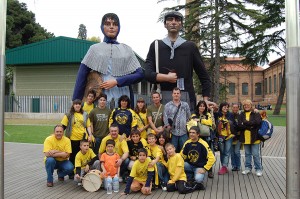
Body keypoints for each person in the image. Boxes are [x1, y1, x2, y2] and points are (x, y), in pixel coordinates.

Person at [145, 10, 216, 112]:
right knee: (162, 128)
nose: (173, 22)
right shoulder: (156, 46)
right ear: (165, 24)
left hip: (186, 97)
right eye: (170, 19)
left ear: (181, 25)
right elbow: (147, 74)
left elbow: (204, 76)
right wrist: (166, 78)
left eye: (177, 20)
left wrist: (205, 99)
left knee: (188, 127)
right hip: (161, 98)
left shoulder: (190, 47)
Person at [72, 13, 144, 108]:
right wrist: (75, 101)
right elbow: (81, 76)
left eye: (115, 24)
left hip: (123, 95)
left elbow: (140, 74)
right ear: (102, 27)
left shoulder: (127, 49)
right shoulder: (94, 49)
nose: (111, 27)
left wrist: (117, 81)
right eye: (107, 24)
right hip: (100, 94)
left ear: (119, 27)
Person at [61, 99, 92, 178]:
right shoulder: (69, 115)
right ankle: (71, 173)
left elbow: (88, 126)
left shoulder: (85, 114)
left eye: (79, 104)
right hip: (71, 139)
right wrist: (58, 134)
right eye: (76, 104)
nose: (77, 105)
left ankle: (78, 172)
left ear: (81, 105)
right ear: (73, 105)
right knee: (72, 156)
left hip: (81, 139)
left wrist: (90, 135)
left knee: (80, 156)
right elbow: (63, 126)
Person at [186, 100, 215, 178]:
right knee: (197, 152)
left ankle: (209, 170)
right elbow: (191, 122)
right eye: (200, 106)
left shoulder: (208, 114)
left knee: (208, 153)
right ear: (198, 106)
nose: (202, 107)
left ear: (205, 107)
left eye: (203, 106)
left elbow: (210, 122)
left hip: (206, 137)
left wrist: (200, 120)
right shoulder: (194, 114)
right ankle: (196, 168)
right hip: (196, 137)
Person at [238, 99, 263, 177]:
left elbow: (257, 123)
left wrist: (245, 123)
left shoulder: (255, 113)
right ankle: (247, 168)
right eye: (245, 105)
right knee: (247, 154)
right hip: (245, 138)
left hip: (255, 137)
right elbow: (240, 125)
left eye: (248, 105)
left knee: (255, 154)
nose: (246, 106)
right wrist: (251, 126)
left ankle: (258, 169)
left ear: (251, 105)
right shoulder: (241, 114)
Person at [164, 87, 190, 152]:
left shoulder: (185, 105)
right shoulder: (167, 105)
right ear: (172, 94)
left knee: (184, 151)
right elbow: (165, 117)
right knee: (172, 151)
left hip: (183, 132)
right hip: (173, 132)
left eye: (178, 93)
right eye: (174, 93)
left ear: (180, 94)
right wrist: (168, 126)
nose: (176, 95)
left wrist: (186, 125)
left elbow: (188, 116)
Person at [216, 102, 236, 175]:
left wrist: (234, 133)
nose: (226, 108)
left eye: (227, 107)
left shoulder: (230, 115)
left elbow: (233, 124)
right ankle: (223, 166)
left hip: (228, 136)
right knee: (222, 151)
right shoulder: (217, 115)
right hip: (220, 136)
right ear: (221, 107)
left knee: (227, 152)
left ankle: (224, 166)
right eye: (224, 107)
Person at [230, 103, 242, 171]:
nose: (235, 109)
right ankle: (234, 165)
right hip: (231, 136)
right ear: (232, 108)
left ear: (238, 108)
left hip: (238, 136)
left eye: (236, 107)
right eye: (233, 107)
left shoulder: (240, 116)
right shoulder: (230, 115)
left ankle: (238, 165)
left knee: (237, 152)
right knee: (232, 152)